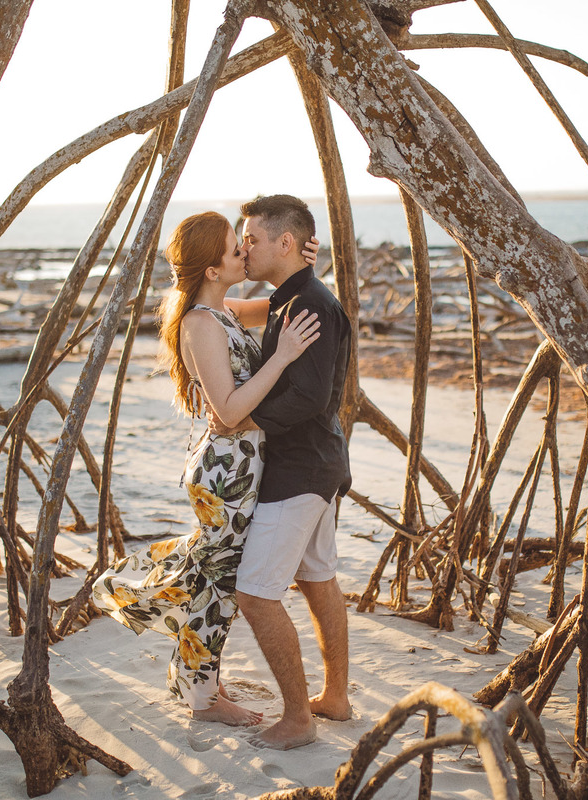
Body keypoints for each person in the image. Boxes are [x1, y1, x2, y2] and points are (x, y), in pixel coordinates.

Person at [94, 211, 321, 726]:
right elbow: (230, 411)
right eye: (236, 249)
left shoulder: (225, 311)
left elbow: (282, 302)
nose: (246, 252)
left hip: (237, 466)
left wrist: (304, 263)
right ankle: (205, 699)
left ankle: (196, 679)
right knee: (220, 584)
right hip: (226, 473)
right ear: (214, 270)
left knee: (214, 576)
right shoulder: (200, 324)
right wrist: (282, 357)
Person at [228, 194, 354, 750]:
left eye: (251, 239)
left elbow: (309, 395)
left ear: (285, 242)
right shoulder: (292, 296)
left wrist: (243, 419)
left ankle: (299, 718)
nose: (243, 249)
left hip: (299, 469)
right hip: (318, 463)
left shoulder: (309, 305)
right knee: (316, 578)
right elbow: (227, 307)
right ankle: (336, 698)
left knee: (255, 595)